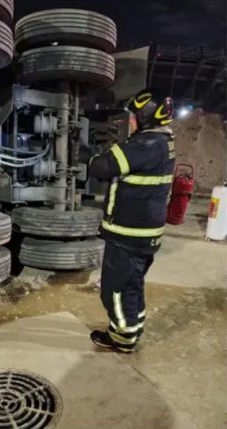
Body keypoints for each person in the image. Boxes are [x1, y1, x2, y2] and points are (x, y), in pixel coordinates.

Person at [87, 88, 176, 353]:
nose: (132, 121)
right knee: (132, 286)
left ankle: (122, 340)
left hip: (128, 235)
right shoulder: (164, 143)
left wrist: (90, 153)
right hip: (145, 234)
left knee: (114, 290)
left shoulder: (145, 145)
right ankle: (132, 329)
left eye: (135, 116)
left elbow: (102, 167)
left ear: (148, 117)